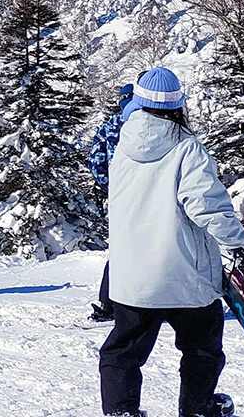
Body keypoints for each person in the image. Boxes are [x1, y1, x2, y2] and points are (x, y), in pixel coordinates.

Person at [99, 68, 244, 417]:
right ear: (178, 106)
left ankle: (120, 412)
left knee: (122, 352)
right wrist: (240, 249)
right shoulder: (187, 148)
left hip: (133, 278)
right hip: (185, 276)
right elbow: (207, 205)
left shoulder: (122, 148)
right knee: (202, 349)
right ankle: (198, 408)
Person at [85, 82, 140, 323]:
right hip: (150, 195)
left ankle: (108, 303)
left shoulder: (108, 127)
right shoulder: (145, 124)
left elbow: (95, 163)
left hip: (119, 198)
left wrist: (111, 185)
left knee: (120, 250)